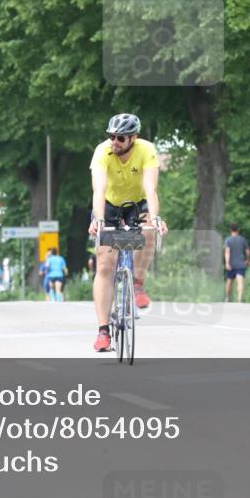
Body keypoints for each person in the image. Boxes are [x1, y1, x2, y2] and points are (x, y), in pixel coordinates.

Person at [88, 113, 168, 352]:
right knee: (104, 265)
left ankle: (139, 283)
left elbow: (150, 189)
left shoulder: (147, 150)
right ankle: (103, 331)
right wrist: (99, 220)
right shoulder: (102, 152)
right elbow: (98, 189)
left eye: (120, 138)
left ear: (134, 138)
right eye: (112, 136)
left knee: (150, 230)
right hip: (109, 205)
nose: (115, 141)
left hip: (138, 203)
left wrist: (155, 217)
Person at [224, 223, 250, 302]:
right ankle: (239, 299)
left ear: (230, 230)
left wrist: (227, 263)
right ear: (238, 230)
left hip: (231, 264)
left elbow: (227, 252)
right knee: (240, 282)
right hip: (241, 264)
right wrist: (248, 260)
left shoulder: (228, 240)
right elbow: (248, 251)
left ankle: (228, 297)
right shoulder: (243, 239)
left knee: (229, 282)